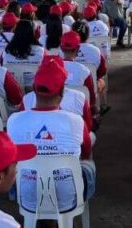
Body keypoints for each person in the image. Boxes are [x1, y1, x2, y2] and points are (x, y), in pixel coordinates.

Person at [6, 58, 95, 213]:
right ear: (62, 92)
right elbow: (86, 153)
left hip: (27, 198)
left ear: (34, 89)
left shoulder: (14, 120)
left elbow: (10, 156)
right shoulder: (76, 121)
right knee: (88, 165)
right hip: (68, 200)